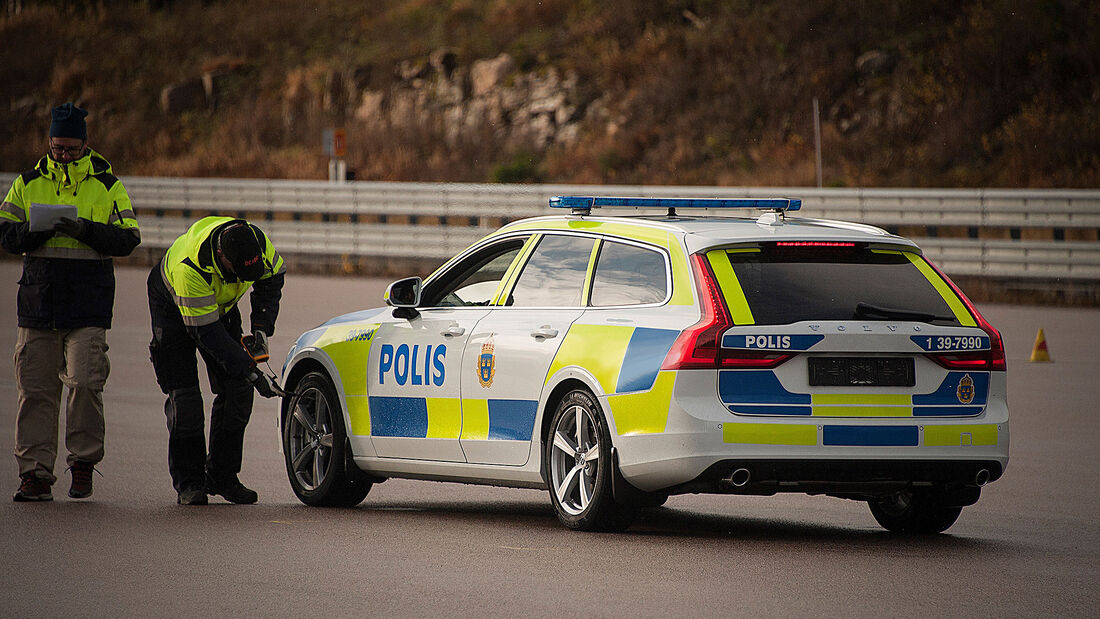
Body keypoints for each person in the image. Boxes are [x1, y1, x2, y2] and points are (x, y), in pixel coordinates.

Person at [1, 103, 141, 502]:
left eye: (70, 148)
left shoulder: (108, 185)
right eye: (57, 147)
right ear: (49, 142)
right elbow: (6, 235)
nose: (63, 155)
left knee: (85, 384)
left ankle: (82, 463)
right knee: (35, 391)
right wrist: (33, 233)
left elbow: (129, 237)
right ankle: (34, 474)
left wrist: (84, 229)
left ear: (85, 144)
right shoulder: (27, 183)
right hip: (38, 303)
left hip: (89, 305)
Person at [147, 216, 285, 505]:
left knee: (238, 391)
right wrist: (252, 372)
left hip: (220, 308)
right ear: (222, 258)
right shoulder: (190, 269)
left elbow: (271, 281)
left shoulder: (258, 244)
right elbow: (209, 336)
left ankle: (222, 477)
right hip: (175, 311)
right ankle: (190, 483)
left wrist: (261, 328)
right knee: (185, 402)